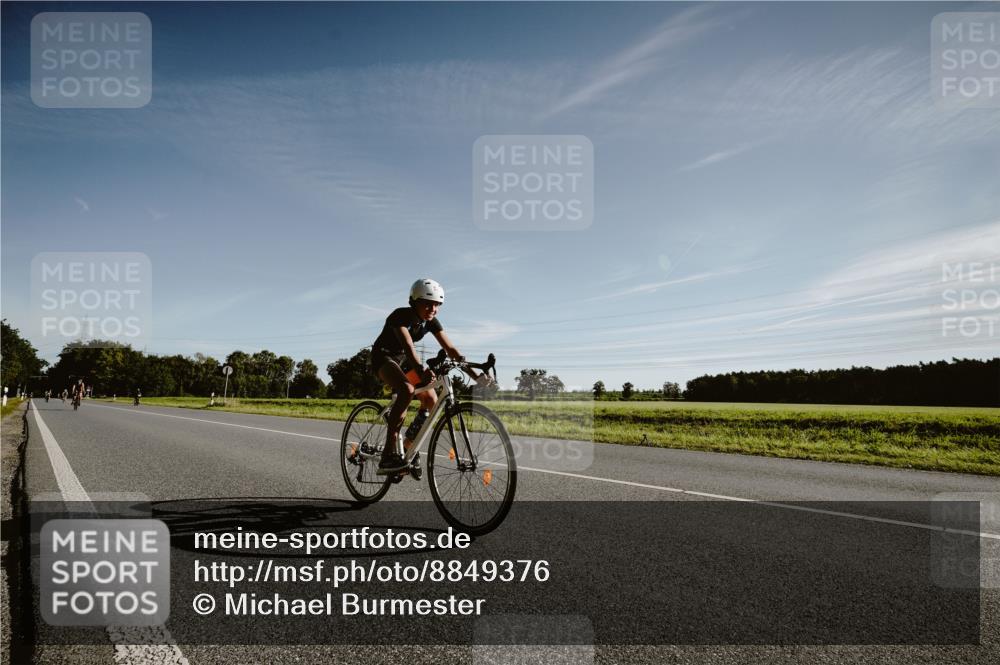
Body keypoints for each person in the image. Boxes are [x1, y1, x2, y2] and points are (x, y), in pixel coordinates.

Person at [370, 278, 467, 477]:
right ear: (414, 302)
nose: (433, 309)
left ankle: (406, 450)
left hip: (404, 362)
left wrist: (476, 374)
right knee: (407, 390)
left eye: (437, 305)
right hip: (384, 357)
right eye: (427, 303)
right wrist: (421, 370)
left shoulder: (430, 322)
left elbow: (450, 348)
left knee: (431, 400)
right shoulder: (400, 316)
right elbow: (408, 347)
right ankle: (388, 454)